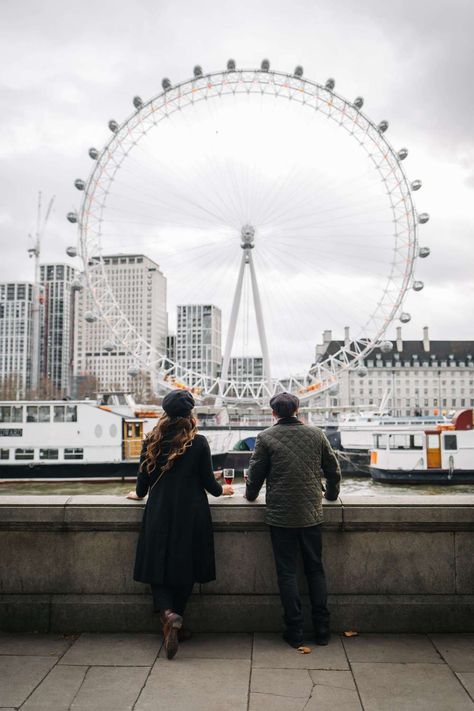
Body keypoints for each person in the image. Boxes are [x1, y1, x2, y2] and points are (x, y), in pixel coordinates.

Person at [127, 389, 233, 659]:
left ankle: (168, 615)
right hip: (192, 513)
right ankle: (176, 619)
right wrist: (226, 491)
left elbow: (142, 486)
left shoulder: (151, 439)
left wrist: (136, 495)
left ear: (165, 412)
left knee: (156, 565)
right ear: (190, 413)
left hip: (159, 511)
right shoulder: (198, 442)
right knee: (188, 566)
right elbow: (210, 485)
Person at [245, 392, 340, 648]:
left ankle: (295, 630)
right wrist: (331, 495)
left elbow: (256, 474)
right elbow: (333, 470)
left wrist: (250, 495)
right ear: (298, 409)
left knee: (287, 573)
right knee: (315, 569)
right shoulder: (317, 434)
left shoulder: (265, 437)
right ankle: (322, 630)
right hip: (311, 513)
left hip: (280, 514)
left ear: (273, 413)